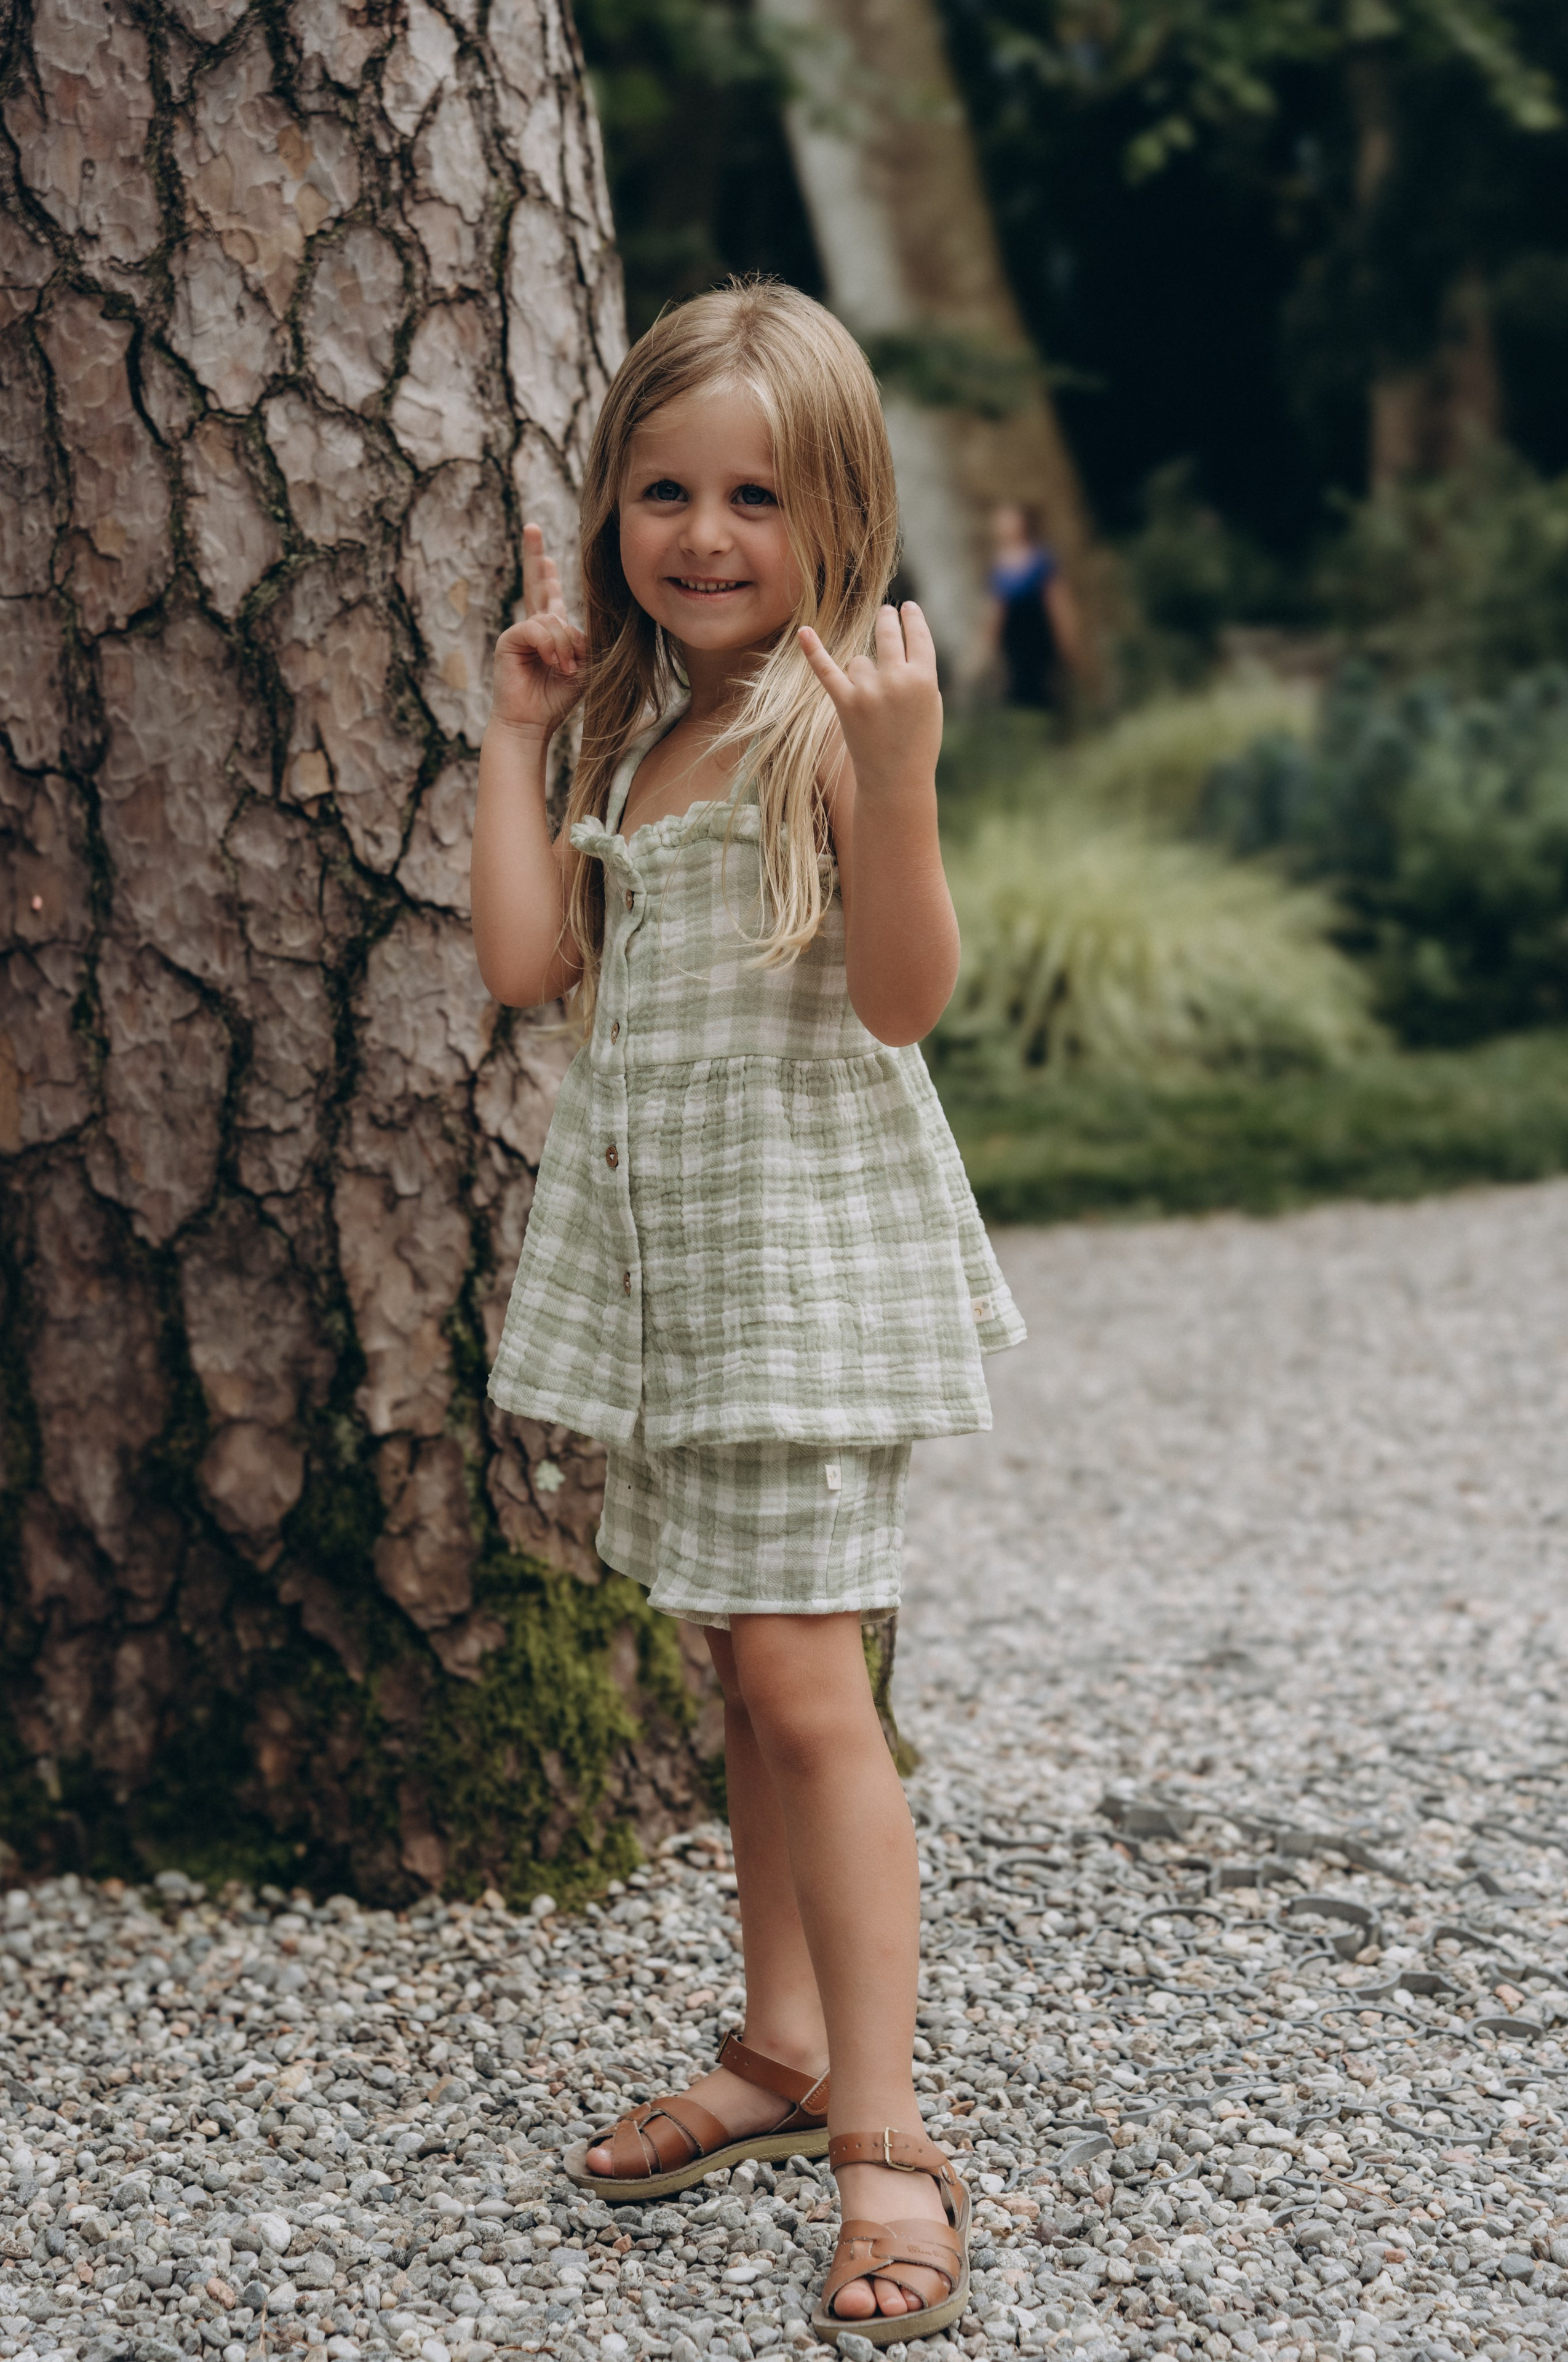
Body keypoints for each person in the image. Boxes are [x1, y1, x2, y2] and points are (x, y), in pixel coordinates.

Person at [471, 280, 1024, 2344]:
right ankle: (782, 2046)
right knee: (747, 1677)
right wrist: (518, 732)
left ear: (842, 511)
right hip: (687, 1273)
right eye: (665, 491)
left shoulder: (820, 718)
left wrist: (902, 782)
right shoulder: (636, 723)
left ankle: (885, 2135)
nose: (705, 536)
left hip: (798, 1270)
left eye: (758, 499)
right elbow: (529, 966)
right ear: (613, 501)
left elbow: (900, 1003)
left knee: (812, 1695)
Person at [984, 500, 1084, 709]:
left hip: (1039, 628)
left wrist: (1066, 634)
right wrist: (989, 645)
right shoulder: (997, 566)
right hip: (1015, 638)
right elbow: (997, 609)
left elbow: (1056, 598)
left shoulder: (1040, 558)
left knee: (1050, 680)